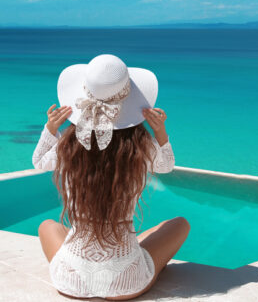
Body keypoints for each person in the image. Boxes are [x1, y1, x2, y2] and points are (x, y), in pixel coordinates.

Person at [32, 54, 190, 300]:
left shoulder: (69, 145)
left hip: (70, 281)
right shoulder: (138, 147)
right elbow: (165, 166)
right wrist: (160, 132)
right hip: (125, 284)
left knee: (47, 226)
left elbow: (39, 162)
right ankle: (127, 252)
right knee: (179, 225)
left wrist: (51, 128)